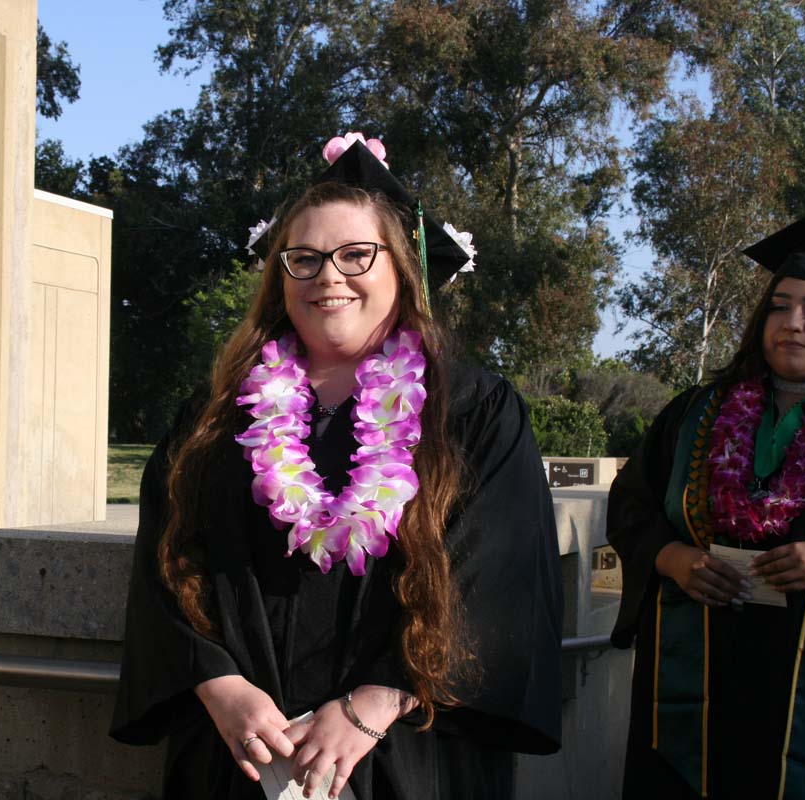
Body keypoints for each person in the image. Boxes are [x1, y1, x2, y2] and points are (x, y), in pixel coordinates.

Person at [109, 134, 563, 799]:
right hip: (242, 752)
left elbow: (497, 581)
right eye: (305, 258)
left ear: (402, 270)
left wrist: (374, 704)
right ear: (279, 276)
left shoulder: (473, 412)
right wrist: (219, 685)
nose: (329, 276)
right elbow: (168, 558)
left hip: (404, 755)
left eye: (357, 255)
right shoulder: (217, 415)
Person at [607, 209, 805, 799]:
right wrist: (673, 558)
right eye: (779, 305)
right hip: (696, 673)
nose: (792, 323)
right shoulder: (694, 412)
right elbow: (631, 506)